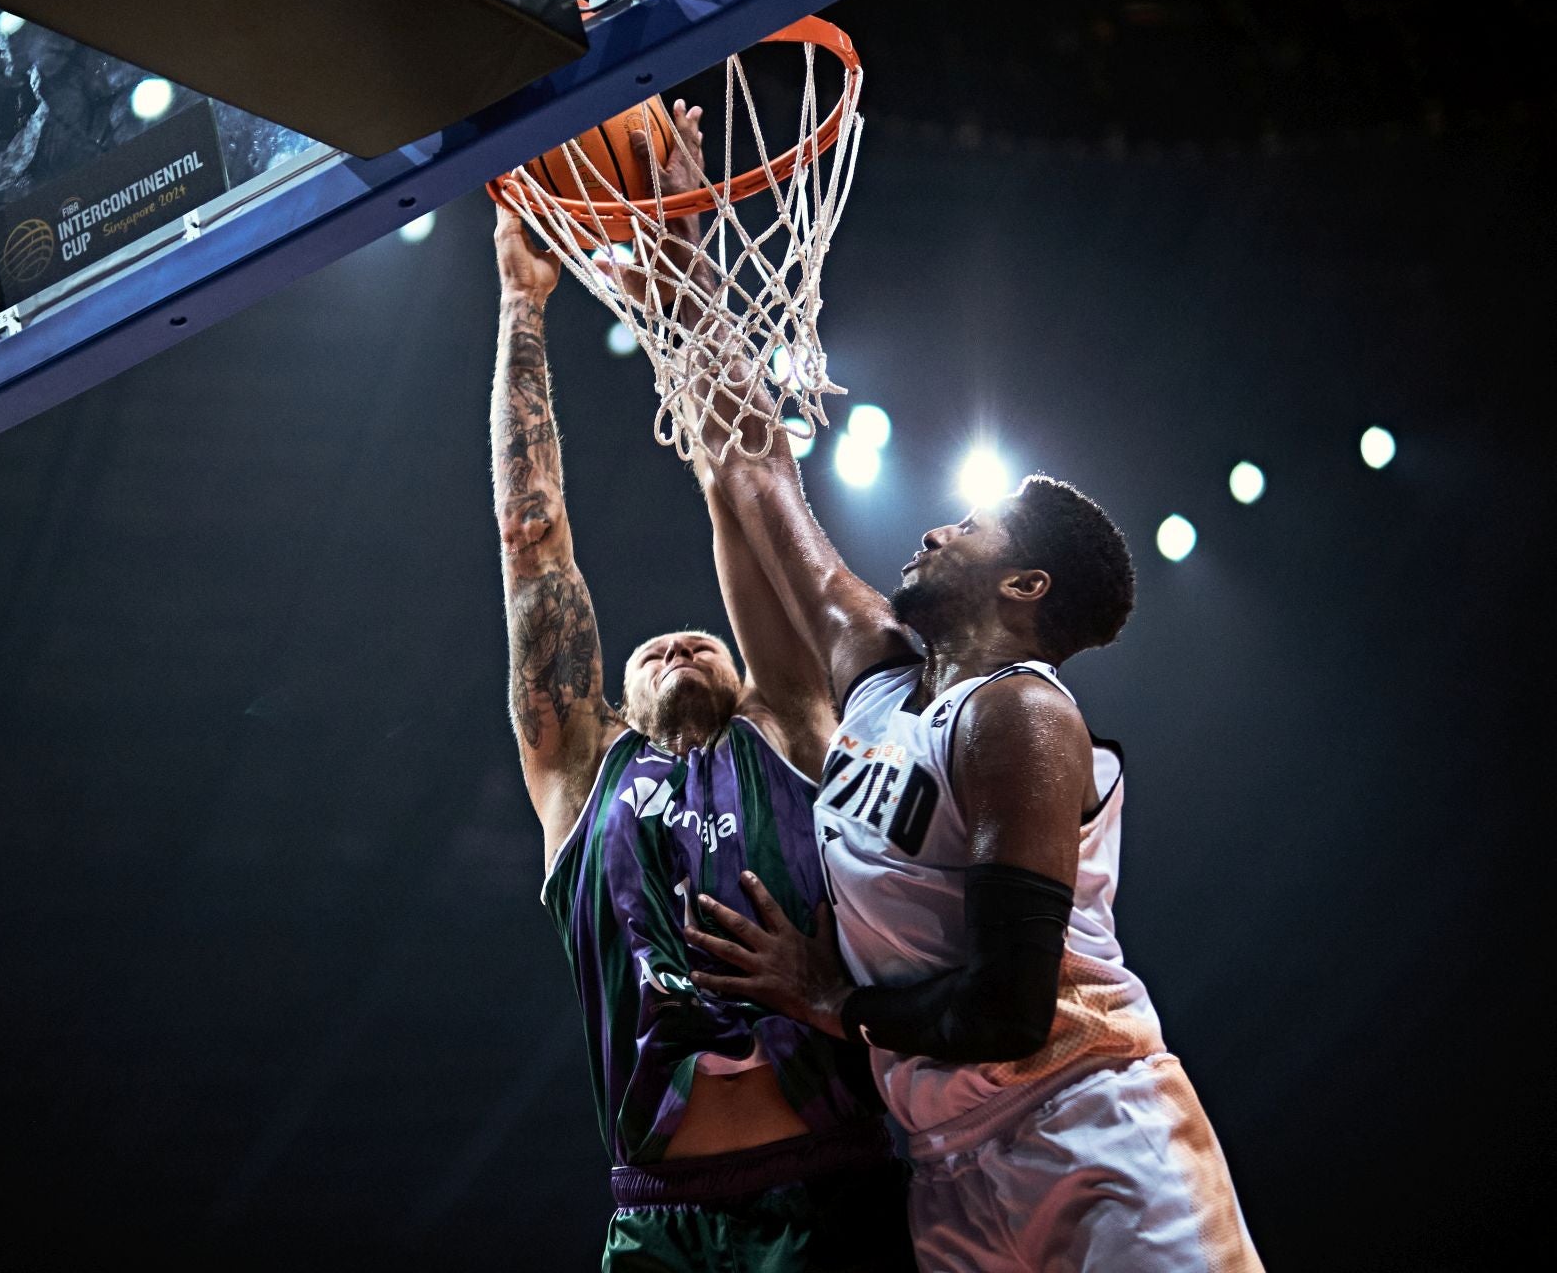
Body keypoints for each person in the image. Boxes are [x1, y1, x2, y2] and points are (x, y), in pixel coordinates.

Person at [674, 355, 1262, 1267]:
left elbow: (1008, 1011)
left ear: (1024, 586)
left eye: (971, 526)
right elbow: (758, 475)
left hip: (1090, 1128)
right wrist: (681, 280)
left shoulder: (1022, 713)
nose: (938, 530)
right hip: (949, 1168)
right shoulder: (873, 679)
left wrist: (832, 996)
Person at [487, 102, 915, 1273]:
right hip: (658, 1222)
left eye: (705, 643)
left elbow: (745, 460)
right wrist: (524, 305)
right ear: (606, 697)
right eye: (652, 649)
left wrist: (682, 245)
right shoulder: (583, 774)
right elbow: (534, 538)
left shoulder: (791, 732)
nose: (681, 641)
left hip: (830, 1193)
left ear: (749, 678)